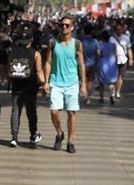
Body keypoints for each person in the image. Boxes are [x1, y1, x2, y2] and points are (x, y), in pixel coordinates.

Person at [44, 15, 87, 154]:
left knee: (71, 113)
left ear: (72, 27)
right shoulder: (52, 42)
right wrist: (46, 81)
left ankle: (70, 141)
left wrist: (83, 84)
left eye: (67, 25)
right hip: (56, 82)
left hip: (72, 83)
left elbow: (81, 64)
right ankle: (59, 133)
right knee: (54, 111)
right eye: (62, 25)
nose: (64, 27)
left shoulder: (77, 44)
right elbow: (48, 63)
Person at [8, 25, 45, 147]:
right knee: (31, 112)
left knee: (15, 111)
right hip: (30, 87)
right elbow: (39, 72)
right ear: (32, 40)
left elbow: (9, 68)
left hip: (16, 86)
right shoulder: (36, 54)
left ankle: (14, 137)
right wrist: (44, 83)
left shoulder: (13, 51)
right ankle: (33, 135)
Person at [97, 30, 120, 105]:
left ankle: (101, 98)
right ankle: (111, 95)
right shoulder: (113, 45)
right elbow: (116, 54)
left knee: (101, 83)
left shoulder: (100, 45)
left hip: (103, 63)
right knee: (111, 82)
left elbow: (99, 54)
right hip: (112, 63)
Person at [80, 24, 100, 104]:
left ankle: (84, 95)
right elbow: (98, 53)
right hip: (92, 64)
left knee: (83, 80)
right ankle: (87, 97)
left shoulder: (81, 42)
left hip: (83, 64)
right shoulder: (95, 41)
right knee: (90, 81)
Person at [113, 22, 133, 99]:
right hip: (114, 60)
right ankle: (113, 91)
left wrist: (131, 59)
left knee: (121, 76)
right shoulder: (112, 38)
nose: (119, 31)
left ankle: (118, 92)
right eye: (117, 29)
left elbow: (129, 48)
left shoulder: (126, 38)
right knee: (115, 76)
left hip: (123, 59)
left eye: (120, 29)